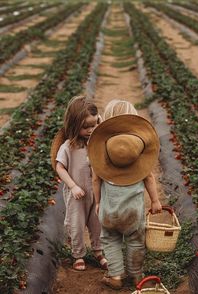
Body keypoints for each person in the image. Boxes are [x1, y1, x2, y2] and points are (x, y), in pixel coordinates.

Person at [88, 100, 162, 289]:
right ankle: (136, 276)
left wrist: (98, 203)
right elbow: (150, 178)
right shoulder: (136, 151)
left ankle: (115, 276)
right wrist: (155, 201)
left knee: (110, 240)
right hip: (133, 213)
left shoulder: (102, 149)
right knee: (135, 241)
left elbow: (95, 180)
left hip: (109, 211)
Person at [51, 95, 107, 271]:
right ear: (74, 125)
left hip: (96, 193)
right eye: (86, 127)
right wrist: (73, 186)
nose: (91, 129)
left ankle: (99, 251)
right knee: (76, 224)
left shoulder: (96, 141)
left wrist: (100, 122)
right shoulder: (68, 146)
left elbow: (105, 130)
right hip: (77, 195)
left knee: (98, 222)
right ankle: (78, 254)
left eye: (94, 125)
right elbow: (59, 168)